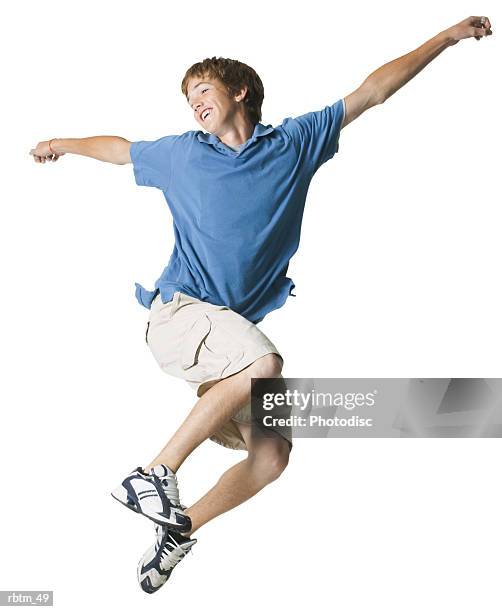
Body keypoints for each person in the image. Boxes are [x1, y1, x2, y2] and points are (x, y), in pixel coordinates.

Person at [29, 15, 492, 594]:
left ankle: (180, 530)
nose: (194, 103)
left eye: (203, 90)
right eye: (187, 97)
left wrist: (447, 38)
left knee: (271, 458)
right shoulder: (182, 155)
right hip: (180, 316)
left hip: (229, 338)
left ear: (239, 91)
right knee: (264, 365)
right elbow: (120, 149)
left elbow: (373, 91)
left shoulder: (295, 144)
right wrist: (59, 145)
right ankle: (151, 473)